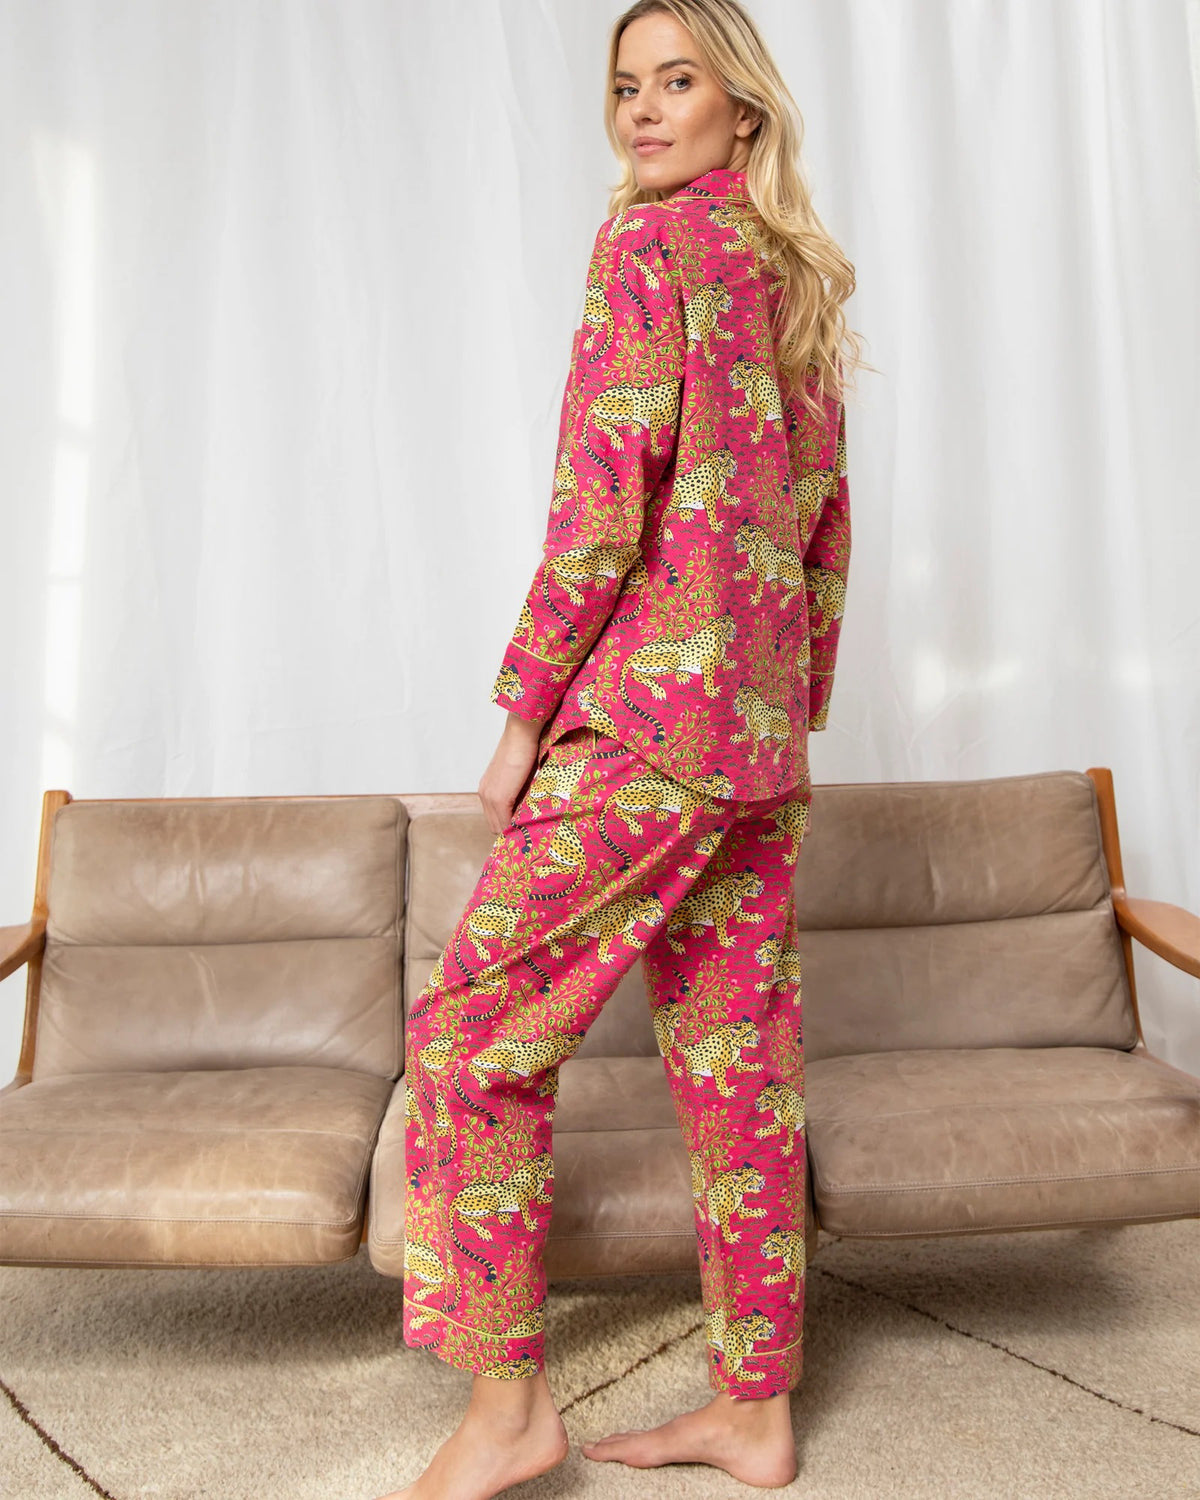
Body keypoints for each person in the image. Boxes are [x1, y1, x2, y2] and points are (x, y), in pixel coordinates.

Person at [375, 1, 861, 1495]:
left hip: (648, 727)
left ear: (744, 109)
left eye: (678, 83)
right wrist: (786, 706)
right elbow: (825, 535)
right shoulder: (793, 273)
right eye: (625, 86)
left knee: (469, 1040)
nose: (644, 112)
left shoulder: (646, 251)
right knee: (734, 1069)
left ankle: (513, 1414)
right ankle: (757, 1408)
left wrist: (525, 713)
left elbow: (603, 514)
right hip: (756, 740)